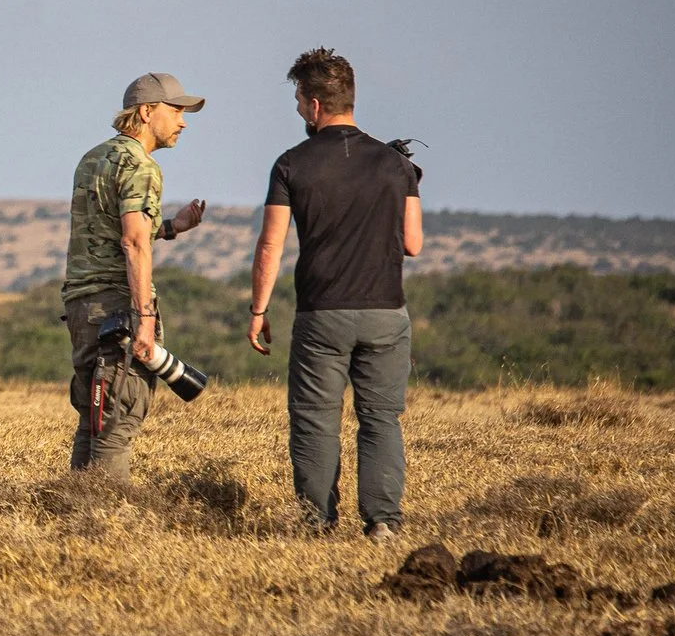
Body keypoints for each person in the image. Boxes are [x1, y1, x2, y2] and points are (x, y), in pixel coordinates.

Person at [246, 49, 424, 539]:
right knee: (381, 418)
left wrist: (259, 309)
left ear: (316, 104)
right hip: (386, 311)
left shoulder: (290, 164)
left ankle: (317, 524)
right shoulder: (396, 164)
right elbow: (413, 243)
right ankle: (383, 522)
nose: (301, 111)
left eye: (300, 102)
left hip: (322, 313)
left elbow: (271, 245)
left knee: (314, 421)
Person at [60, 72, 209, 479]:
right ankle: (106, 526)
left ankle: (73, 512)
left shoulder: (92, 158)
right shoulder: (141, 167)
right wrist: (144, 318)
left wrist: (172, 227)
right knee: (117, 420)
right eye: (176, 110)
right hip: (117, 310)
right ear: (147, 112)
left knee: (93, 418)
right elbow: (133, 243)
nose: (183, 121)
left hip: (81, 306)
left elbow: (106, 230)